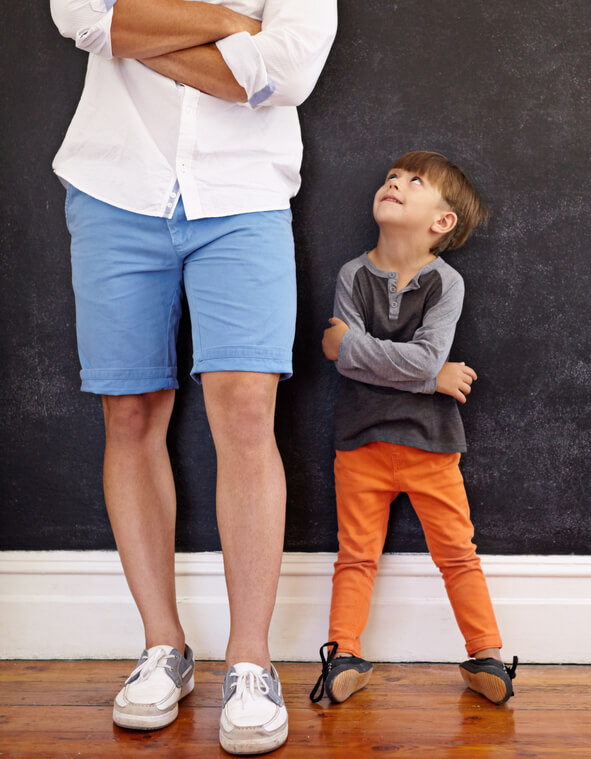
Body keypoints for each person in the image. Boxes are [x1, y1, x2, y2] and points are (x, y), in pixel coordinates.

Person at [49, 0, 336, 754]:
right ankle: (162, 648)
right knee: (130, 412)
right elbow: (80, 14)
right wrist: (234, 28)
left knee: (246, 412)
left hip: (243, 198)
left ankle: (251, 661)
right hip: (114, 189)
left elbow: (288, 71)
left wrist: (135, 27)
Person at [311, 150, 518, 708]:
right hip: (360, 444)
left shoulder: (445, 283)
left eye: (413, 182)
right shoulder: (352, 275)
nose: (395, 183)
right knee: (356, 555)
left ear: (442, 221)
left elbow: (358, 351)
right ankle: (343, 652)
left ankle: (487, 654)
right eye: (391, 178)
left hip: (432, 448)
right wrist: (431, 377)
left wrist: (354, 347)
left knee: (457, 553)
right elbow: (382, 361)